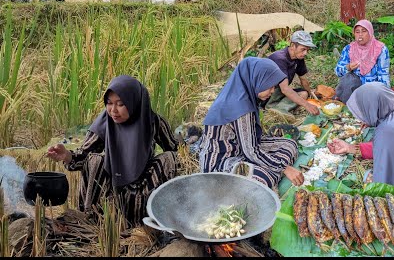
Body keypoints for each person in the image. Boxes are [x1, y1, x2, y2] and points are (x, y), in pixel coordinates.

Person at [46, 75, 179, 226]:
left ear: (134, 102)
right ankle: (95, 219)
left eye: (121, 104)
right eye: (109, 103)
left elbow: (176, 149)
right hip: (111, 191)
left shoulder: (152, 121)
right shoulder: (104, 123)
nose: (113, 110)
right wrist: (66, 155)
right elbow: (83, 155)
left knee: (171, 158)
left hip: (144, 189)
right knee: (95, 160)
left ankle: (155, 218)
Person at [199, 57, 303, 189]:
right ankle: (270, 172)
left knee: (290, 144)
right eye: (270, 86)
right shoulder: (240, 107)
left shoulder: (240, 92)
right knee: (263, 180)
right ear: (257, 80)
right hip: (221, 160)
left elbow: (250, 144)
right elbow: (251, 152)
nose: (272, 91)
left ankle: (270, 168)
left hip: (240, 147)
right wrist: (284, 168)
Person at [265, 30, 320, 116]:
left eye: (307, 50)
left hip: (280, 92)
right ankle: (276, 109)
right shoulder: (280, 58)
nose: (305, 53)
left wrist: (310, 95)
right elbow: (285, 89)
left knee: (303, 93)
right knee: (297, 97)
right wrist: (307, 105)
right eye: (303, 49)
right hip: (268, 93)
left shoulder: (299, 58)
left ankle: (280, 107)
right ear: (293, 45)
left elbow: (303, 79)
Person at [334, 20, 390, 101]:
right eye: (357, 32)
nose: (360, 35)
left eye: (364, 31)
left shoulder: (380, 49)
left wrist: (386, 95)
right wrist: (348, 67)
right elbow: (337, 71)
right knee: (348, 80)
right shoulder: (349, 49)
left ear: (370, 32)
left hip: (372, 89)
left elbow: (383, 74)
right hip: (352, 90)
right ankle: (347, 106)